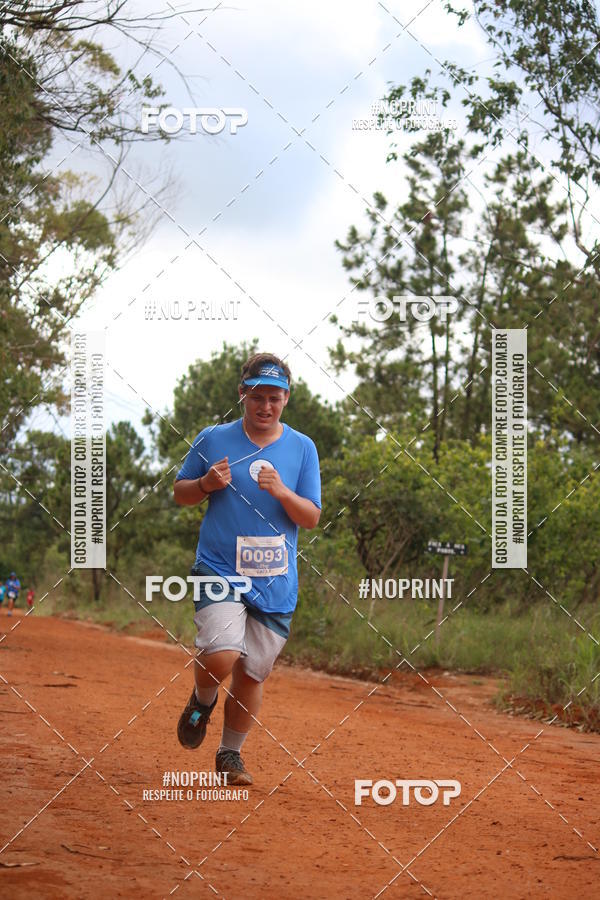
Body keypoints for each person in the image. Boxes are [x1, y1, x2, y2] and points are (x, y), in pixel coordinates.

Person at [173, 353, 321, 785]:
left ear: (287, 398)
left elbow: (311, 517)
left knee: (252, 674)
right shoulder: (213, 438)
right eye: (257, 397)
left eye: (274, 398)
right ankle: (202, 701)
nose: (265, 406)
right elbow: (180, 493)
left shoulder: (302, 448)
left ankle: (230, 755)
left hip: (275, 581)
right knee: (221, 654)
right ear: (242, 394)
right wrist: (205, 484)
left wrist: (282, 492)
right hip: (219, 568)